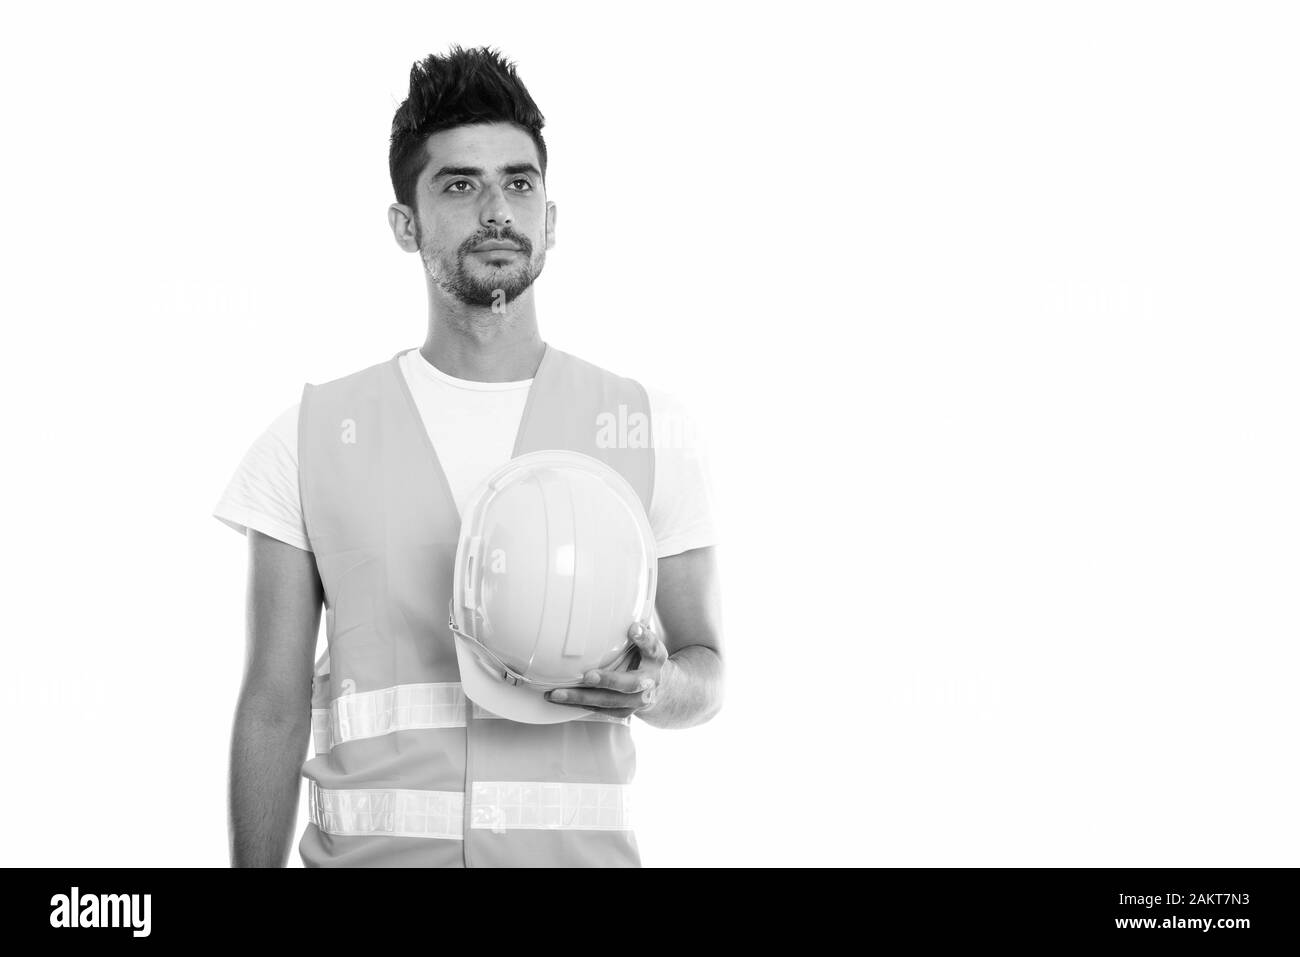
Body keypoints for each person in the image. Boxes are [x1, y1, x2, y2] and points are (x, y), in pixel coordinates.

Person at [213, 45, 724, 867]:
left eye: (519, 184)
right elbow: (271, 703)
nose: (498, 209)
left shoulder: (644, 427)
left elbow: (707, 670)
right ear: (405, 224)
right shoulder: (308, 438)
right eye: (460, 185)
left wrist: (659, 687)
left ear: (551, 217)